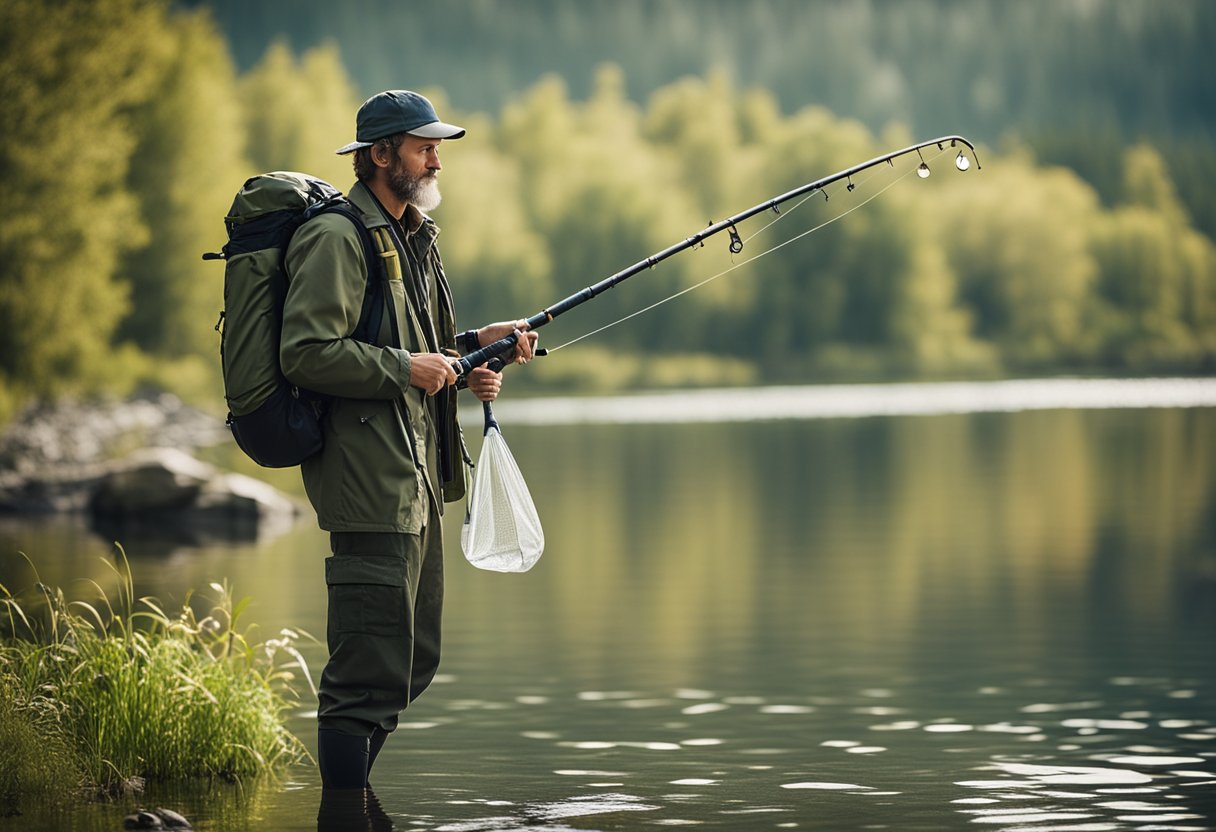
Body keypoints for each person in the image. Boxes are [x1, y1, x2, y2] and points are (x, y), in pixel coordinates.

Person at [280, 89, 538, 790]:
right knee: (364, 674)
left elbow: (421, 352)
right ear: (380, 154)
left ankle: (355, 805)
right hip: (369, 482)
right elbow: (305, 351)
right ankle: (344, 810)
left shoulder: (414, 235)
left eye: (437, 149)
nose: (436, 161)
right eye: (425, 147)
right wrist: (409, 368)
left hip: (420, 481)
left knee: (410, 662)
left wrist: (475, 352)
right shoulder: (336, 237)